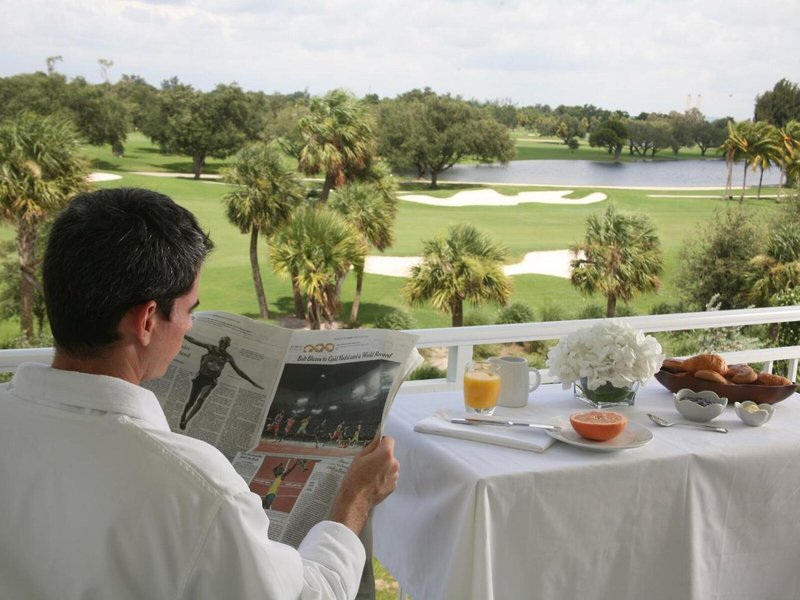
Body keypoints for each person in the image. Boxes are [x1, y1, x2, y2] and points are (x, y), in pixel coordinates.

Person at [0, 187, 399, 600]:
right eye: (189, 311)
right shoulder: (199, 489)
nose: (191, 327)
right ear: (147, 321)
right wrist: (356, 499)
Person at [179, 334, 263, 430]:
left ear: (228, 345)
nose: (223, 344)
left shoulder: (228, 357)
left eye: (226, 343)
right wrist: (181, 333)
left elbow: (238, 371)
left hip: (210, 381)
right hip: (200, 377)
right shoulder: (211, 348)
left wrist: (251, 381)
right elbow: (193, 340)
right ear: (219, 341)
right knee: (191, 402)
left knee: (201, 399)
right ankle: (183, 414)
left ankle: (186, 421)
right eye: (222, 341)